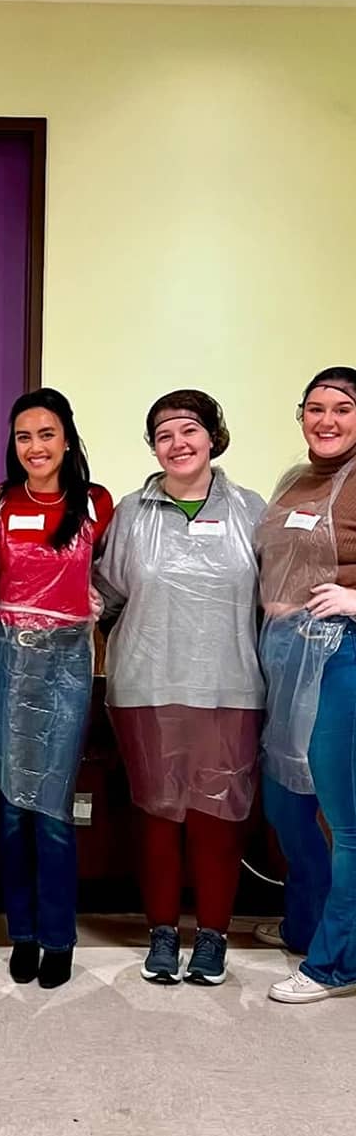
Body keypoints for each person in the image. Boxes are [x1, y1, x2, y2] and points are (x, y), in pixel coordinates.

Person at [94, 390, 265, 986]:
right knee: (157, 816)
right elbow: (105, 597)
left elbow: (273, 597)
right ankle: (162, 934)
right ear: (153, 447)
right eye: (164, 435)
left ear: (214, 436)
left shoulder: (250, 510)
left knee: (219, 818)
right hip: (147, 686)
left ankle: (213, 936)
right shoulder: (132, 514)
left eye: (189, 430)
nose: (178, 443)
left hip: (229, 687)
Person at [0, 389, 112, 988]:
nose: (36, 447)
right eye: (24, 436)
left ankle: (59, 937)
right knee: (10, 808)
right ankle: (22, 933)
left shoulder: (97, 505)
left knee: (53, 808)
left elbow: (112, 578)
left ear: (67, 439)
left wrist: (97, 607)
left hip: (64, 665)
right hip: (5, 660)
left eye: (47, 434)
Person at [257, 367, 356, 1003]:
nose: (327, 420)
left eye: (343, 409)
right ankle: (305, 924)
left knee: (345, 821)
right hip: (287, 656)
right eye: (315, 409)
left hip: (343, 656)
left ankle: (335, 963)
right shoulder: (295, 478)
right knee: (286, 801)